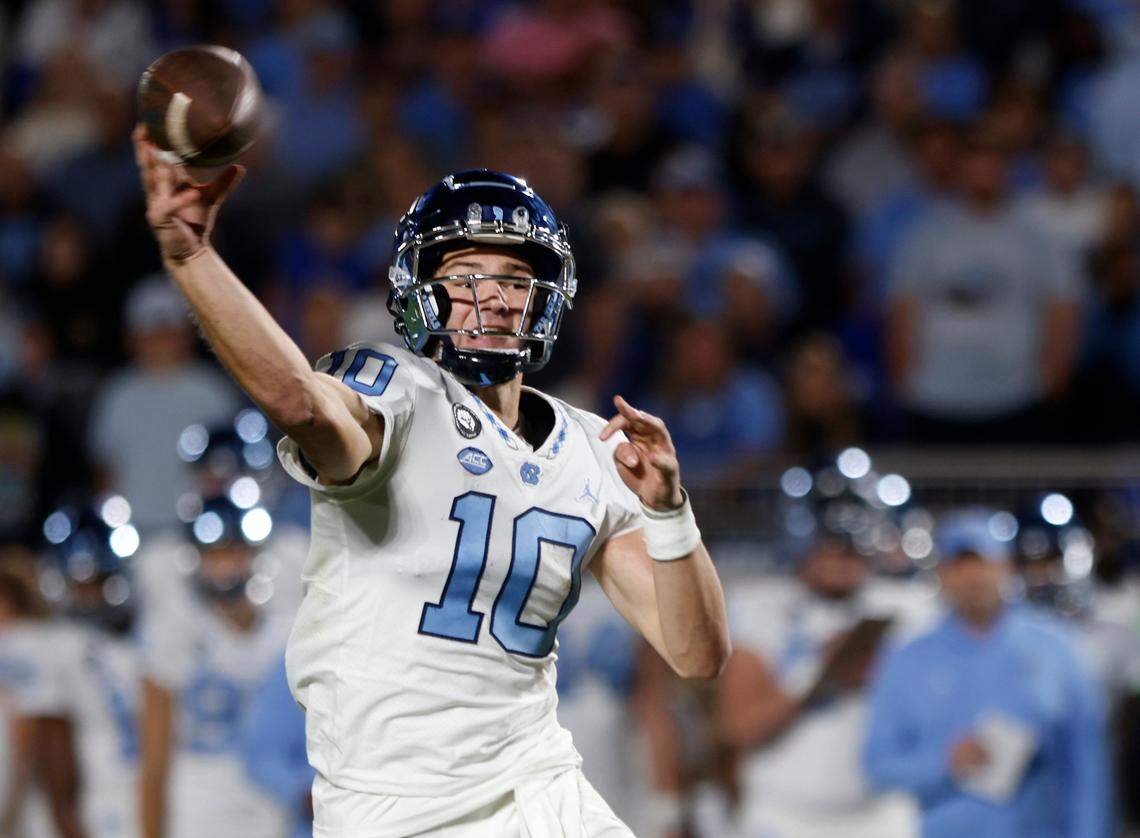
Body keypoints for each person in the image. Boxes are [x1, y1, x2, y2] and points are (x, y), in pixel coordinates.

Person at [132, 130, 730, 837]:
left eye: (513, 277)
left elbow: (695, 654)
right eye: (466, 275)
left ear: (546, 297)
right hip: (396, 806)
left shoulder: (592, 448)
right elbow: (299, 402)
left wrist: (670, 515)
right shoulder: (395, 393)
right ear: (421, 293)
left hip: (542, 789)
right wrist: (193, 258)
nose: (495, 298)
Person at [864, 509, 1110, 838]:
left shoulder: (1057, 649)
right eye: (960, 566)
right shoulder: (909, 658)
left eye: (983, 563)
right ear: (942, 573)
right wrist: (946, 763)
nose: (973, 578)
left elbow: (1087, 765)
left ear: (1006, 567)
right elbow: (878, 764)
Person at [717, 519, 922, 838]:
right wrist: (818, 673)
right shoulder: (763, 608)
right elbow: (740, 728)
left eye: (852, 550)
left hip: (877, 816)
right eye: (833, 548)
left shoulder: (904, 607)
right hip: (782, 817)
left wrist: (884, 677)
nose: (842, 561)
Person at [138, 494, 291, 838]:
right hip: (198, 798)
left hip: (271, 796)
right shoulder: (173, 629)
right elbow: (155, 759)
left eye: (233, 549)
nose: (225, 564)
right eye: (214, 553)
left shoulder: (284, 630)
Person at [19, 500, 142, 838]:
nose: (93, 592)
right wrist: (70, 824)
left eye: (101, 580)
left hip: (128, 805)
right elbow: (53, 757)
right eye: (84, 583)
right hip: (92, 813)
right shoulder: (53, 646)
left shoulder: (128, 643)